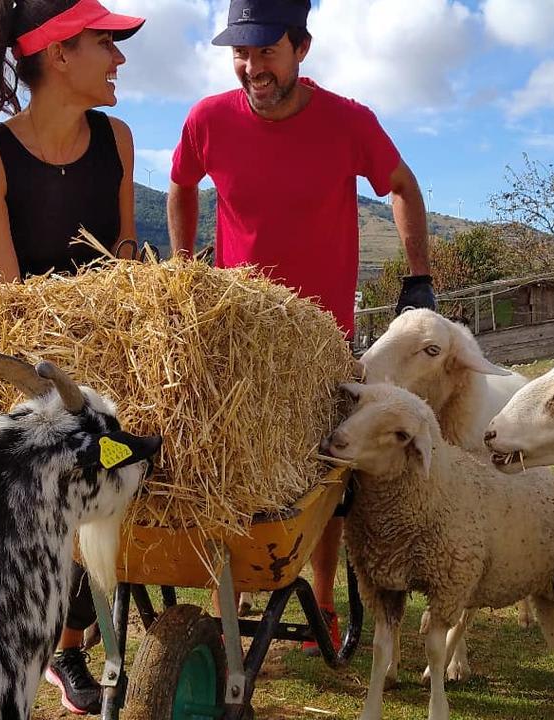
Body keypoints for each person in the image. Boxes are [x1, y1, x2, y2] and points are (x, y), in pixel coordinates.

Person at [167, 0, 435, 654]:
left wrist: (418, 275)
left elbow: (400, 184)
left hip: (320, 344)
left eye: (265, 51)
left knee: (324, 477)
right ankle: (222, 605)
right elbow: (180, 182)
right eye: (241, 52)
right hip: (237, 340)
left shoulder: (347, 122)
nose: (252, 66)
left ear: (301, 47)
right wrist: (182, 268)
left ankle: (322, 603)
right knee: (230, 470)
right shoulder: (208, 119)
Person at [0, 0, 145, 713]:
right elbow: (7, 313)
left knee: (143, 449)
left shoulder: (117, 139)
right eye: (106, 43)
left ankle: (76, 634)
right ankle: (57, 646)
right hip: (38, 383)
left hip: (121, 360)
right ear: (61, 53)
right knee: (58, 465)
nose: (119, 58)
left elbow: (126, 263)